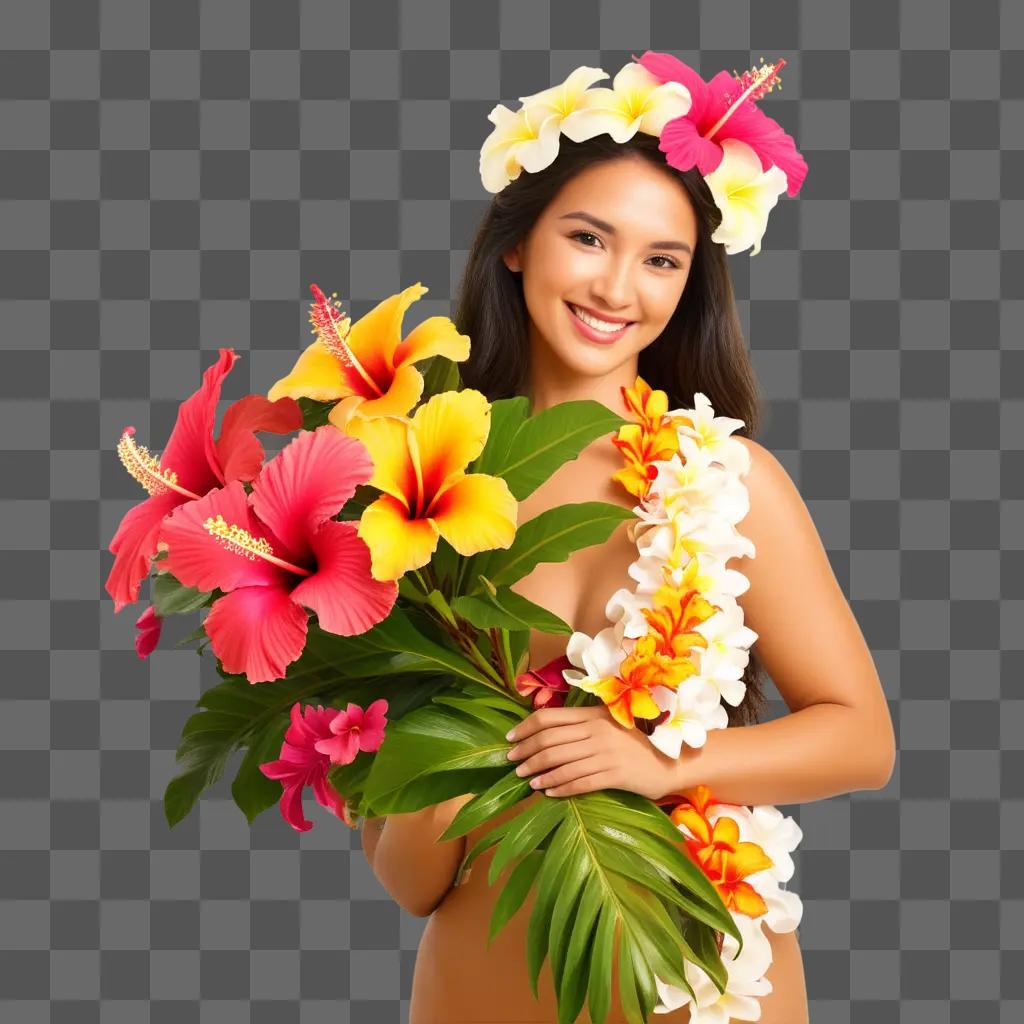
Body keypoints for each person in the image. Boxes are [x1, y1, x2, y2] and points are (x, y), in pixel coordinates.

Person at [361, 53, 896, 1024]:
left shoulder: (730, 486)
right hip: (486, 988)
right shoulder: (413, 493)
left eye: (661, 259)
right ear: (517, 244)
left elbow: (862, 738)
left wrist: (663, 765)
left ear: (690, 283)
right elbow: (410, 876)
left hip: (703, 984)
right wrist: (464, 762)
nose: (617, 287)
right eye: (587, 237)